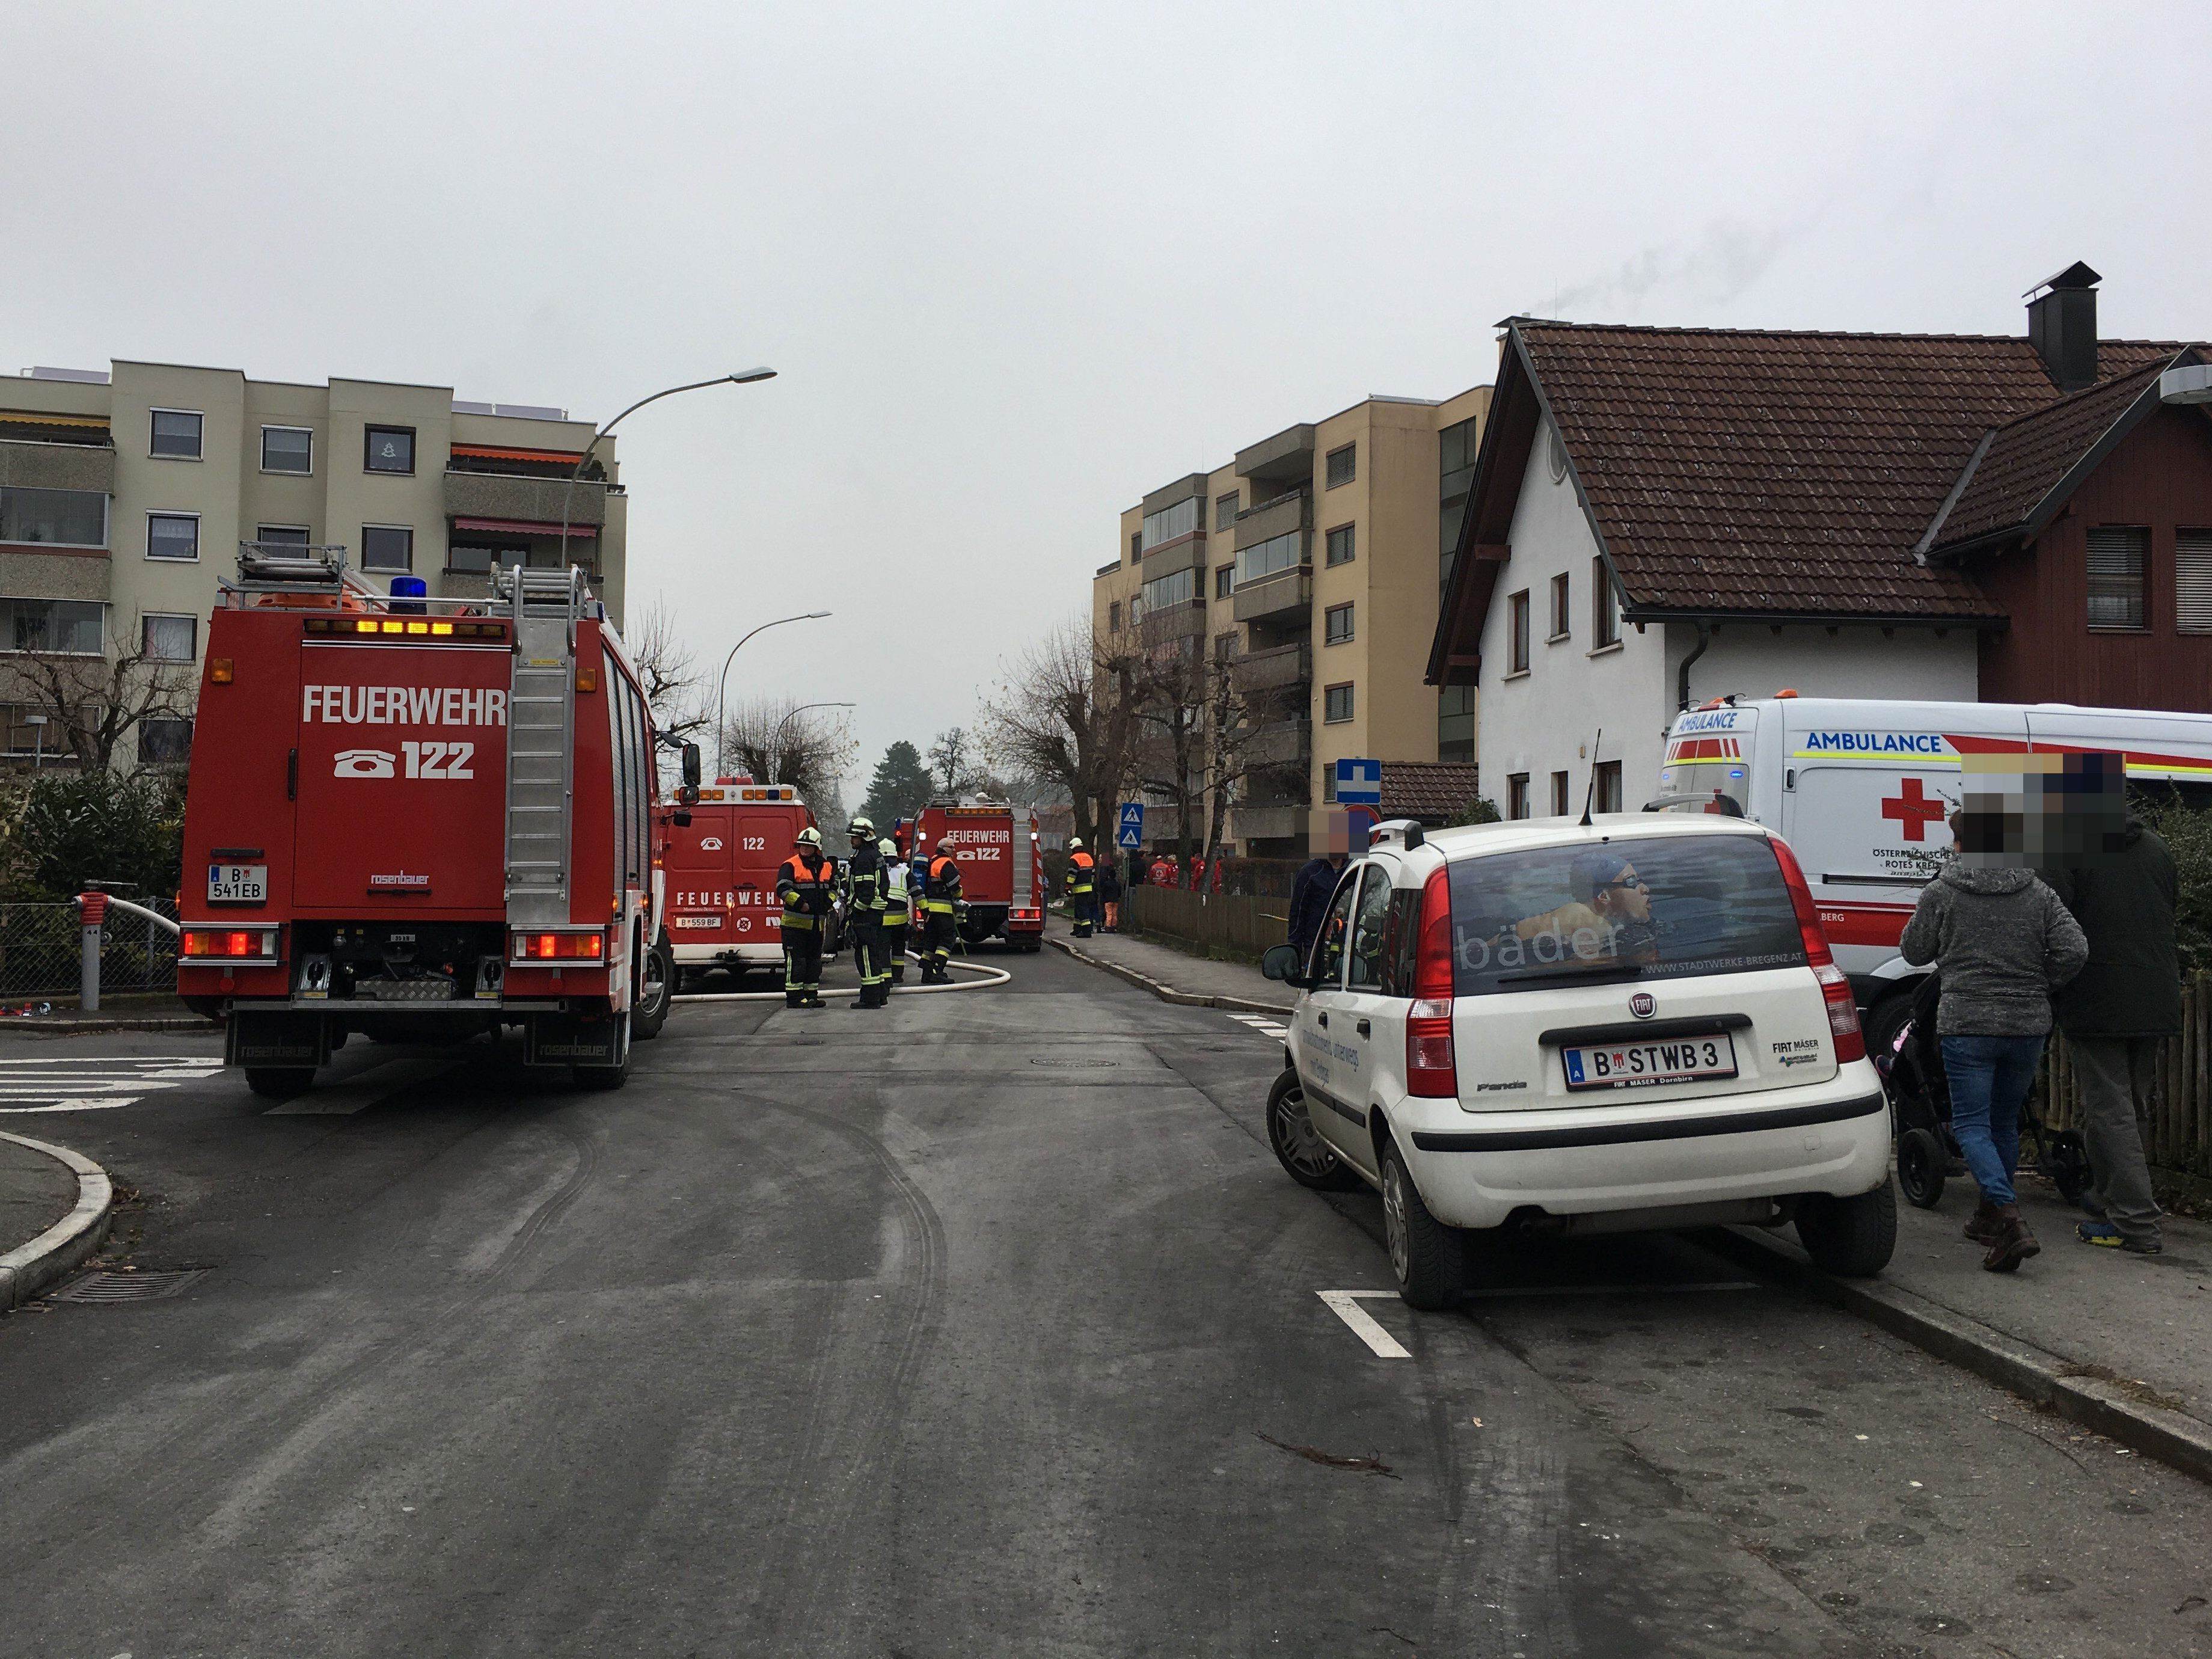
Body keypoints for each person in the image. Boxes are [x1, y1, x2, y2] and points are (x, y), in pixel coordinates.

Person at [1899, 806, 2088, 1272]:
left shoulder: (1942, 892)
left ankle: (2007, 1215)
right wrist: (2041, 983)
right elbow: (2075, 949)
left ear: (1960, 844)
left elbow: (1913, 949)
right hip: (2026, 1025)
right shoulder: (2036, 891)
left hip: (1967, 1023)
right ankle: (1987, 1215)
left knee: (1969, 1124)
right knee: (2003, 1122)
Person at [2041, 763, 2174, 1255]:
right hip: (2156, 992)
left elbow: (2052, 923)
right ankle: (2110, 1196)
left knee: (2109, 1107)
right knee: (2130, 1105)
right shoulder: (2156, 847)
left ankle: (2135, 1222)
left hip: (2097, 994)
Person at [774, 826, 836, 1009]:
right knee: (797, 962)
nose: (804, 848)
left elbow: (835, 887)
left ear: (817, 848)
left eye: (808, 846)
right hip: (795, 926)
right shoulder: (790, 865)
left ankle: (811, 996)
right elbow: (783, 889)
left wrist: (829, 902)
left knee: (814, 962)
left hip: (816, 925)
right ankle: (794, 998)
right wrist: (801, 903)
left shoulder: (826, 866)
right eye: (802, 845)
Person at [1287, 811, 1353, 962]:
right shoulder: (1310, 873)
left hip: (1348, 946)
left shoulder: (1354, 870)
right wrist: (1294, 947)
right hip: (1316, 945)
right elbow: (1297, 912)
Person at [843, 817, 890, 1010]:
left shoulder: (863, 859)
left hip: (866, 914)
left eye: (853, 837)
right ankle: (880, 995)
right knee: (873, 954)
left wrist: (855, 913)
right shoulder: (876, 855)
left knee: (864, 956)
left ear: (862, 837)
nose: (851, 841)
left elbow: (865, 892)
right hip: (876, 914)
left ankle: (870, 999)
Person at [918, 836, 963, 983]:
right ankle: (937, 970)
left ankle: (926, 973)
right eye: (952, 847)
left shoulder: (932, 861)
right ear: (943, 847)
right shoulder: (945, 862)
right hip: (942, 909)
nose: (955, 850)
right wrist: (959, 895)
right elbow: (954, 886)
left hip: (930, 909)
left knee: (932, 940)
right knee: (947, 939)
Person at [879, 836, 912, 985]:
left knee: (883, 949)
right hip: (900, 920)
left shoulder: (875, 870)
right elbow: (917, 891)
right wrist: (925, 910)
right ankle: (898, 976)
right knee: (899, 949)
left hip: (882, 919)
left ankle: (886, 978)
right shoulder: (904, 870)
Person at [1065, 836, 1097, 937]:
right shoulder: (1088, 857)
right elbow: (1093, 873)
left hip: (1079, 889)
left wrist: (1068, 886)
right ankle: (1077, 929)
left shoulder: (1074, 858)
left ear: (1074, 848)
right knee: (1078, 909)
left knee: (1083, 910)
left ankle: (1086, 932)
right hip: (1089, 888)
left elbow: (1072, 875)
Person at [1097, 854, 1123, 934]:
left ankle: (1106, 926)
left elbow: (1102, 880)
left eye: (1100, 858)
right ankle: (1113, 926)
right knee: (1114, 913)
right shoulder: (1110, 868)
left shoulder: (1104, 868)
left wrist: (1101, 890)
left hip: (1107, 897)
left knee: (1107, 912)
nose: (1099, 860)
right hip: (1115, 898)